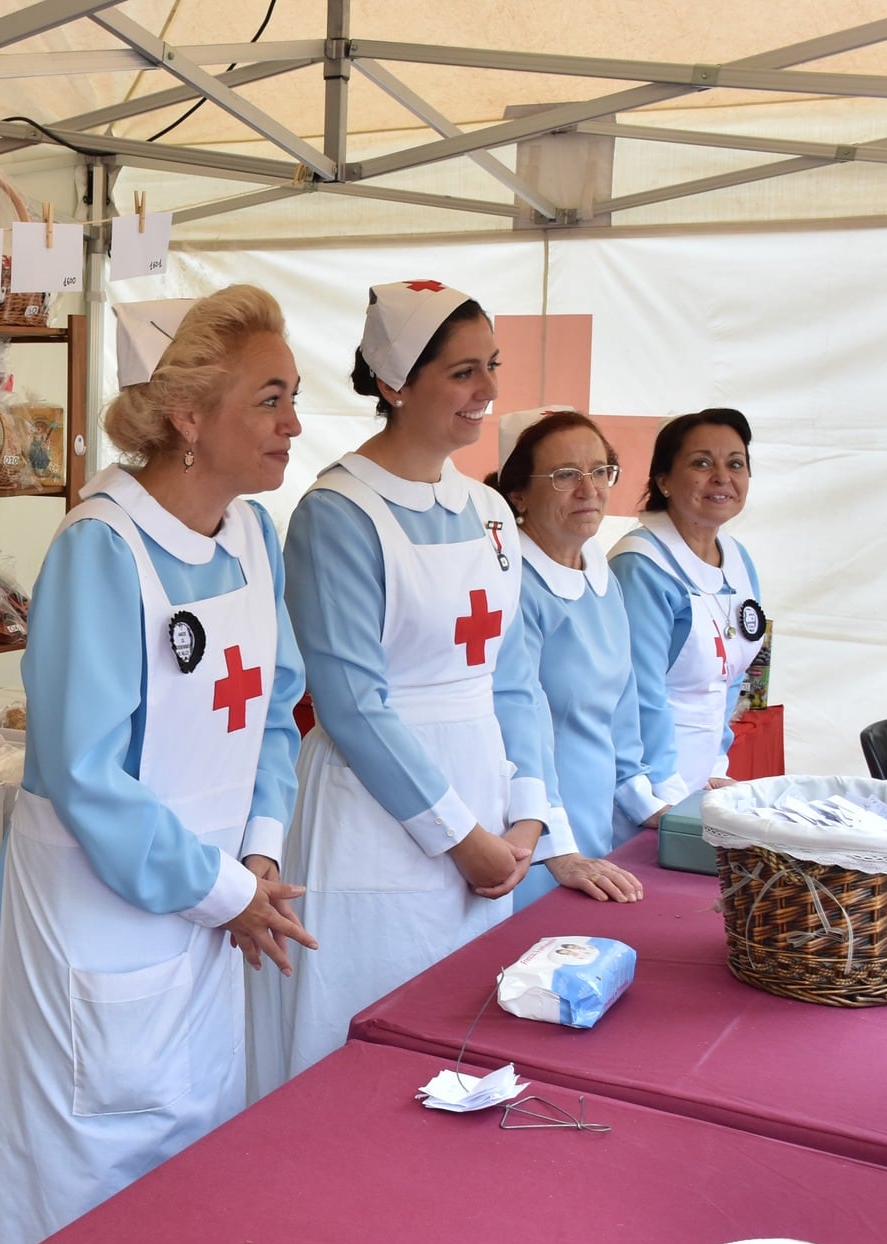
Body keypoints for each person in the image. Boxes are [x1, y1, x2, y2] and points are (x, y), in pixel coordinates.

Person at [0, 286, 313, 1244]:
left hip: (211, 906)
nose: (292, 424)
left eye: (293, 397)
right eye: (269, 399)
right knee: (76, 1189)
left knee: (191, 1159)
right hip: (104, 919)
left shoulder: (252, 538)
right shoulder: (100, 549)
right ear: (188, 416)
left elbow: (274, 705)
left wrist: (257, 855)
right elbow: (88, 774)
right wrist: (223, 890)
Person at [246, 280, 542, 1096]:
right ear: (395, 382)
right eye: (462, 373)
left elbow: (514, 676)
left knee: (462, 1050)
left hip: (486, 817)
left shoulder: (489, 510)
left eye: (492, 367)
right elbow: (351, 704)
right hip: (376, 820)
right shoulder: (338, 512)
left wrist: (527, 812)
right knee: (361, 1051)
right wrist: (464, 837)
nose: (486, 392)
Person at [489, 407, 686, 909]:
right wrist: (554, 846)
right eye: (564, 476)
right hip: (527, 841)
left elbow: (624, 713)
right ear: (517, 494)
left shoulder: (600, 576)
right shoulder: (511, 587)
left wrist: (648, 804)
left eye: (600, 471)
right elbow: (516, 723)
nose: (589, 489)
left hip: (597, 829)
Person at [607, 408, 764, 792]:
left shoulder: (738, 558)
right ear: (663, 480)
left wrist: (718, 763)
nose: (722, 477)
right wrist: (666, 788)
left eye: (736, 463)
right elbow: (639, 695)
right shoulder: (641, 566)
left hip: (703, 776)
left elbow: (733, 676)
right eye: (702, 463)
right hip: (642, 784)